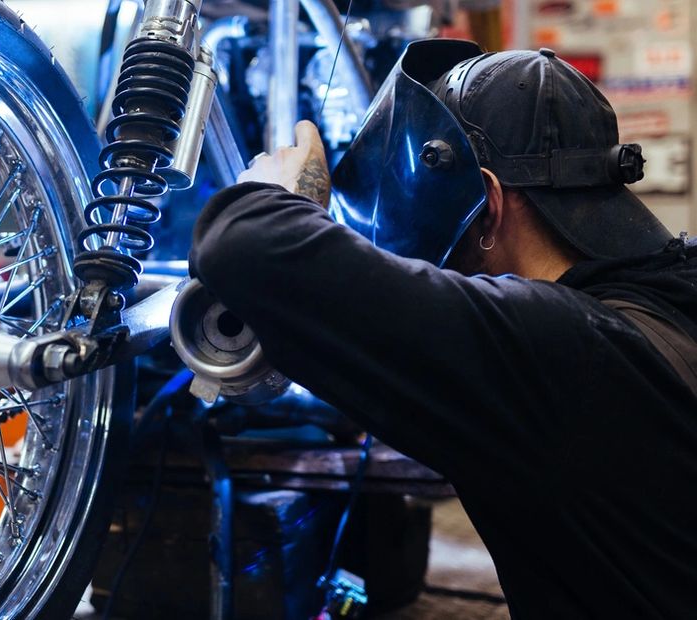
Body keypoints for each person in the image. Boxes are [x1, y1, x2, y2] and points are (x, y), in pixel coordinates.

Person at [189, 39, 697, 617]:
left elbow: (243, 246)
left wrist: (272, 192)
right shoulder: (669, 291)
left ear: (489, 208)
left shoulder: (560, 349)